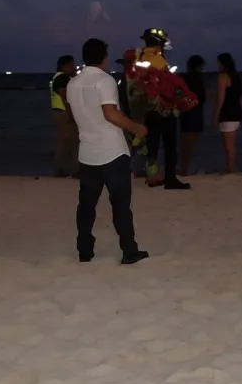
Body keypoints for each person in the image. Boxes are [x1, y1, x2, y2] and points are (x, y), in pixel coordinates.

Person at [68, 37, 150, 265]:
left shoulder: (73, 83)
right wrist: (137, 128)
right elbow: (110, 113)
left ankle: (84, 250)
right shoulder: (105, 81)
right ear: (103, 58)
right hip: (112, 152)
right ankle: (129, 250)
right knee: (121, 204)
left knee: (86, 205)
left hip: (87, 152)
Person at [128, 28, 190, 189]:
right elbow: (168, 86)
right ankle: (170, 179)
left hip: (147, 108)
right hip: (163, 108)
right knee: (170, 145)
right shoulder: (159, 61)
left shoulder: (139, 57)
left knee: (152, 144)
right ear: (158, 44)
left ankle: (152, 177)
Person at [213, 52, 242, 174]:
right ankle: (231, 167)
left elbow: (221, 98)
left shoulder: (223, 77)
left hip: (227, 112)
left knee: (228, 144)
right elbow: (240, 97)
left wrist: (216, 114)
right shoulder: (236, 77)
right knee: (232, 144)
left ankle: (230, 168)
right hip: (236, 112)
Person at [50, 54, 79, 178]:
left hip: (58, 112)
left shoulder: (58, 77)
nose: (74, 67)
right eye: (71, 65)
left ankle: (60, 169)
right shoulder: (62, 78)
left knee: (63, 142)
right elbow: (66, 97)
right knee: (74, 141)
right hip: (63, 113)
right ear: (65, 66)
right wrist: (71, 113)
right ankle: (77, 170)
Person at [178, 55, 206, 176]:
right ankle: (184, 169)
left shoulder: (185, 79)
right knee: (190, 144)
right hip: (195, 115)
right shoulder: (198, 79)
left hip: (186, 114)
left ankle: (183, 168)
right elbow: (200, 97)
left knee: (185, 144)